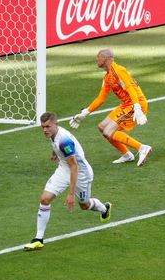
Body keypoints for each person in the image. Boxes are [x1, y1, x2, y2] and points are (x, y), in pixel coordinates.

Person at [24, 112, 112, 251]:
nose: (45, 130)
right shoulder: (53, 135)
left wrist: (71, 194)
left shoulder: (64, 140)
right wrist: (55, 153)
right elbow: (60, 149)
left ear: (56, 124)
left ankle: (104, 208)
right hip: (64, 169)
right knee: (45, 199)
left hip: (81, 174)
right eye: (42, 127)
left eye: (48, 126)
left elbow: (74, 166)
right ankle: (38, 239)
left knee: (84, 205)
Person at [69, 48, 151, 166]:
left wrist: (137, 108)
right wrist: (85, 113)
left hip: (136, 104)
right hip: (126, 105)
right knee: (102, 127)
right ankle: (127, 154)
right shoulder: (108, 77)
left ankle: (142, 148)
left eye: (99, 57)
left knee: (109, 131)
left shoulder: (118, 70)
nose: (97, 59)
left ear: (106, 58)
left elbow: (130, 88)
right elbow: (101, 98)